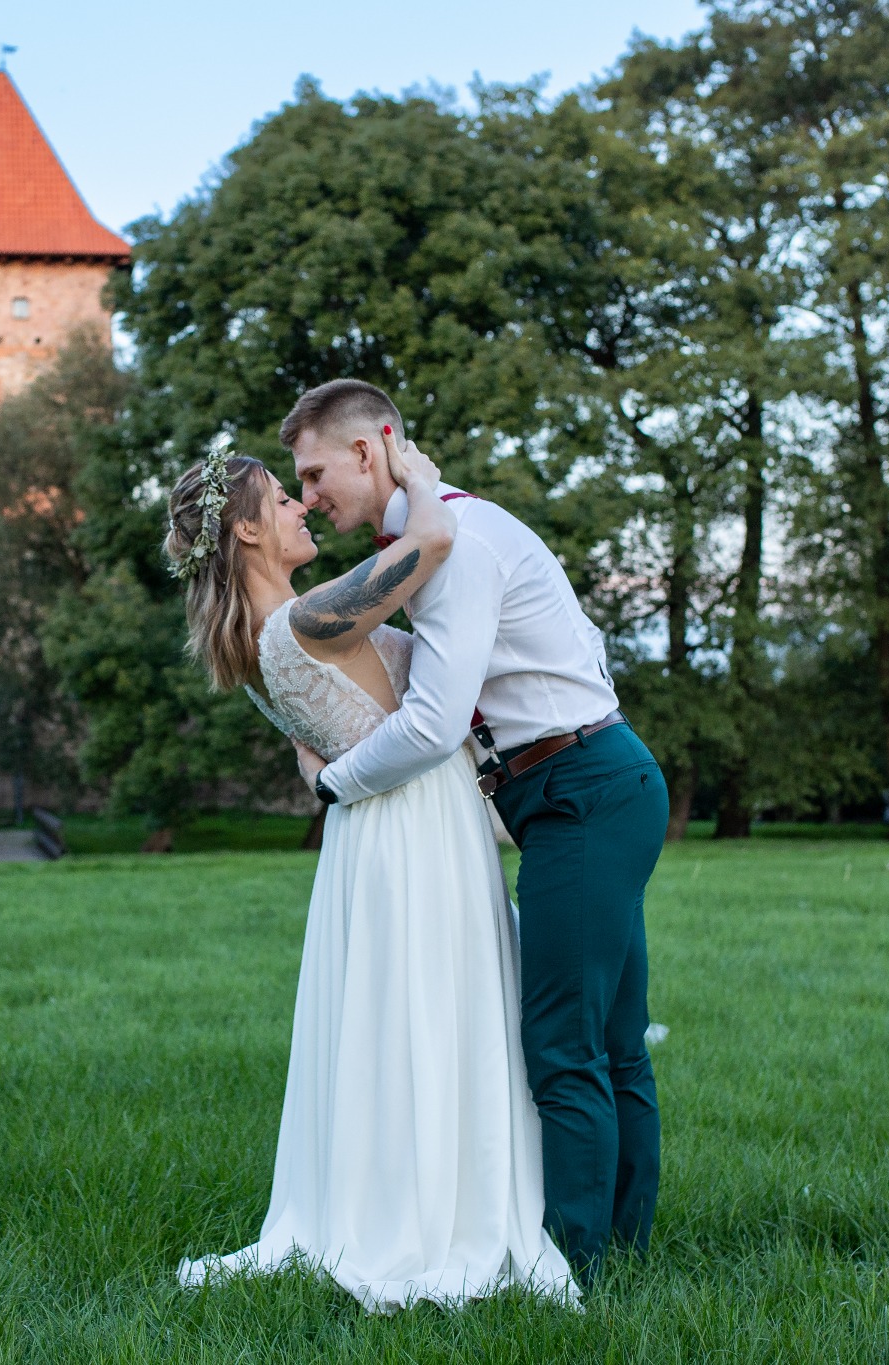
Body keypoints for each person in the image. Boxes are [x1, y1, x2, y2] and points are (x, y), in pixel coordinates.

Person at [165, 427, 576, 1311]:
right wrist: (418, 472)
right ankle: (435, 1211)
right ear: (244, 532)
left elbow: (314, 755)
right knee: (435, 1007)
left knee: (405, 1013)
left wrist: (325, 776)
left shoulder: (264, 640)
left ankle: (398, 1190)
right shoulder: (308, 617)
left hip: (376, 827)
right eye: (282, 498)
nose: (302, 504)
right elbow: (432, 541)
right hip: (412, 825)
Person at [286, 379, 670, 1283]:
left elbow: (432, 721)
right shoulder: (440, 531)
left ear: (371, 447)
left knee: (565, 1043)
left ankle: (570, 1265)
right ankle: (621, 1253)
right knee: (610, 1037)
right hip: (593, 779)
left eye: (312, 475)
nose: (307, 497)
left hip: (581, 788)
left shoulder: (452, 546)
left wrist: (334, 783)